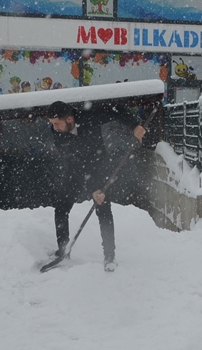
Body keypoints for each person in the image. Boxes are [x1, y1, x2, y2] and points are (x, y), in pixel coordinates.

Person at [46, 100, 149, 271]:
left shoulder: (88, 116)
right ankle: (63, 250)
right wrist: (91, 189)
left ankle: (109, 256)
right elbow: (78, 162)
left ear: (70, 119)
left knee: (103, 207)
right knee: (61, 206)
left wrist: (134, 126)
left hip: (98, 166)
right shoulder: (58, 135)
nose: (54, 127)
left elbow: (116, 109)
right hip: (75, 169)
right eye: (52, 124)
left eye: (57, 123)